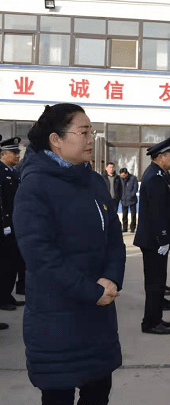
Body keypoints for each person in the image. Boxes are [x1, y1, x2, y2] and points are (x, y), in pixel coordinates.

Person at [13, 103, 125, 405]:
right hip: (57, 321)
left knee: (98, 393)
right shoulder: (34, 187)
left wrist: (112, 278)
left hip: (98, 317)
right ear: (56, 140)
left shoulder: (94, 181)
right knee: (58, 397)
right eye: (84, 132)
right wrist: (90, 290)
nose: (91, 139)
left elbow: (114, 238)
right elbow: (40, 255)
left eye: (93, 131)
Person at [134, 137, 170, 335]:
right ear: (161, 157)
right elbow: (156, 212)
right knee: (154, 283)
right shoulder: (154, 177)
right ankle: (150, 322)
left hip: (156, 239)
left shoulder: (159, 174)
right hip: (154, 240)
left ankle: (156, 318)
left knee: (158, 281)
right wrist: (162, 238)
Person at [0, 136, 27, 311]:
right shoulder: (1, 171)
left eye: (18, 152)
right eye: (14, 152)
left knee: (13, 263)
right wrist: (4, 225)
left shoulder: (13, 171)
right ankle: (2, 298)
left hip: (14, 224)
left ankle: (6, 295)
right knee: (5, 264)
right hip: (6, 226)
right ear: (3, 154)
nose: (18, 156)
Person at [119, 168, 138, 233]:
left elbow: (135, 188)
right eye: (121, 175)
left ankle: (132, 227)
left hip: (132, 200)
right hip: (123, 200)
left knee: (133, 215)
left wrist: (131, 195)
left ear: (127, 173)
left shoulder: (133, 178)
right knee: (124, 215)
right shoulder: (120, 179)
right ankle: (124, 228)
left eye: (124, 175)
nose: (123, 177)